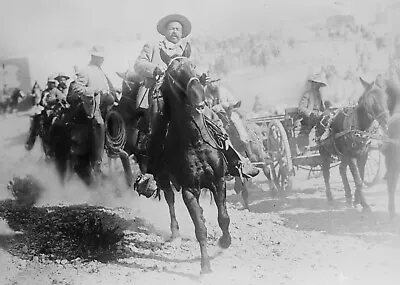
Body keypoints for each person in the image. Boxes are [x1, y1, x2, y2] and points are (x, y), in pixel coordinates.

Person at [133, 14, 259, 194]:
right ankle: (150, 175)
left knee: (214, 121)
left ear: (182, 32)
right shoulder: (153, 47)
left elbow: (196, 69)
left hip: (186, 96)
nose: (175, 31)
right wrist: (153, 69)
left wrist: (202, 77)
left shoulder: (188, 49)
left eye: (178, 29)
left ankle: (236, 160)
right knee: (156, 128)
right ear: (165, 31)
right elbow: (138, 64)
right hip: (161, 93)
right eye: (171, 28)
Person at [67, 45, 117, 175]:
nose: (101, 60)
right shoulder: (85, 71)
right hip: (95, 106)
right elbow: (78, 88)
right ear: (93, 57)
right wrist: (91, 91)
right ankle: (97, 161)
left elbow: (108, 87)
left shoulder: (102, 72)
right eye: (98, 57)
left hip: (108, 105)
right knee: (99, 124)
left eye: (102, 57)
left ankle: (116, 151)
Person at [25, 75, 65, 151]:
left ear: (54, 83)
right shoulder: (45, 92)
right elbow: (40, 102)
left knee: (49, 131)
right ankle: (30, 143)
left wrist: (55, 103)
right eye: (49, 83)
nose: (51, 84)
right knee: (36, 122)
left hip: (54, 112)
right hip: (44, 111)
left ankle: (51, 149)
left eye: (52, 83)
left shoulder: (56, 91)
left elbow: (62, 100)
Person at [297, 70, 329, 152]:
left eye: (319, 84)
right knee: (313, 121)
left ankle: (325, 144)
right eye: (316, 84)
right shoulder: (307, 94)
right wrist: (310, 113)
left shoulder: (319, 95)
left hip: (318, 117)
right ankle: (308, 146)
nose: (318, 86)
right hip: (308, 119)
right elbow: (301, 108)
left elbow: (322, 108)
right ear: (313, 84)